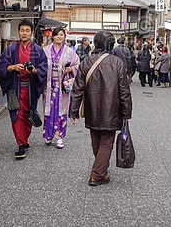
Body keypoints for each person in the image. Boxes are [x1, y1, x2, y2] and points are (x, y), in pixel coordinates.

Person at [69, 31, 132, 186]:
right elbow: (124, 91)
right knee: (106, 142)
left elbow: (77, 89)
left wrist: (73, 111)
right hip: (111, 109)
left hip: (92, 107)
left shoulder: (86, 62)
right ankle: (97, 174)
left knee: (96, 138)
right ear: (110, 45)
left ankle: (100, 167)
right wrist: (126, 112)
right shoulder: (117, 63)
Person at [0, 19, 48, 160]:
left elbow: (44, 67)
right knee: (16, 115)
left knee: (27, 115)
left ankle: (24, 139)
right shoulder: (11, 49)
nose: (24, 33)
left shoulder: (38, 50)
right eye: (22, 30)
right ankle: (20, 145)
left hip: (30, 89)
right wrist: (12, 67)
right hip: (15, 87)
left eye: (27, 31)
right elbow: (1, 65)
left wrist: (35, 71)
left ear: (31, 33)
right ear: (18, 32)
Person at [42, 27, 79, 149]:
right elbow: (40, 66)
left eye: (61, 35)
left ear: (65, 37)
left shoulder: (69, 52)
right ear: (52, 36)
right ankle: (48, 135)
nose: (59, 37)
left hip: (62, 87)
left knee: (61, 112)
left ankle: (60, 137)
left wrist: (71, 69)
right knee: (49, 111)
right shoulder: (45, 50)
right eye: (57, 35)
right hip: (48, 86)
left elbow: (78, 64)